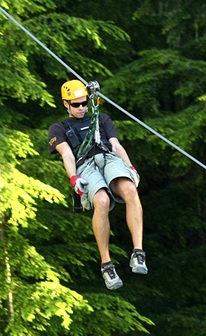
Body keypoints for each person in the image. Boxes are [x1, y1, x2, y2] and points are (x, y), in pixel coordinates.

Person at [48, 79, 147, 290]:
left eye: (84, 103)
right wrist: (73, 178)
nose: (81, 108)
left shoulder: (101, 119)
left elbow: (115, 145)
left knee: (130, 189)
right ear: (66, 104)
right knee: (101, 201)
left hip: (107, 158)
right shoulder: (58, 128)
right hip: (85, 166)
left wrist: (131, 168)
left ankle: (138, 252)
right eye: (76, 104)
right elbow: (67, 154)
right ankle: (106, 265)